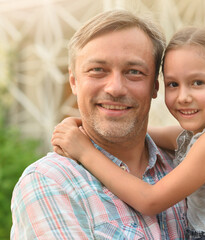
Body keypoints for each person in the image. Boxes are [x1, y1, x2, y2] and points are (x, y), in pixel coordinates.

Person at [52, 25, 205, 239]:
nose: (183, 97)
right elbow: (137, 132)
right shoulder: (196, 136)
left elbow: (150, 200)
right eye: (173, 84)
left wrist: (84, 152)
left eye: (197, 83)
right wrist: (87, 124)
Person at [10, 10, 187, 239]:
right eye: (97, 70)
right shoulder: (50, 181)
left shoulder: (185, 163)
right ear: (74, 81)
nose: (115, 88)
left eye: (134, 72)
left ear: (155, 86)